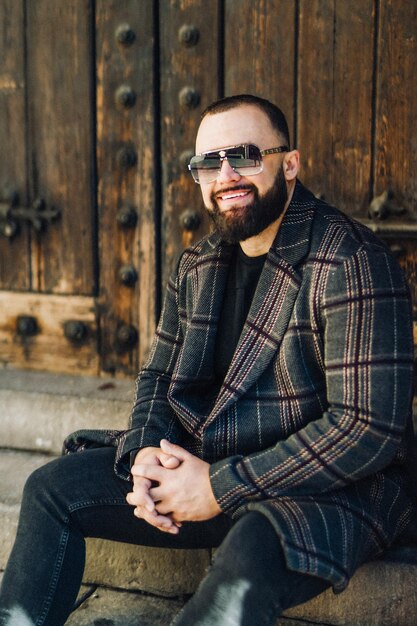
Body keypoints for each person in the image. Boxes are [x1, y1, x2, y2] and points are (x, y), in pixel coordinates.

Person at [0, 94, 416, 626]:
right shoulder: (197, 264)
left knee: (251, 547)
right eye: (208, 163)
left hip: (328, 486)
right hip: (203, 463)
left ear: (289, 163)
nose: (226, 176)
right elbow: (158, 375)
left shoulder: (350, 261)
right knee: (51, 489)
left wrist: (220, 486)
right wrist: (147, 452)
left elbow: (365, 429)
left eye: (243, 155)